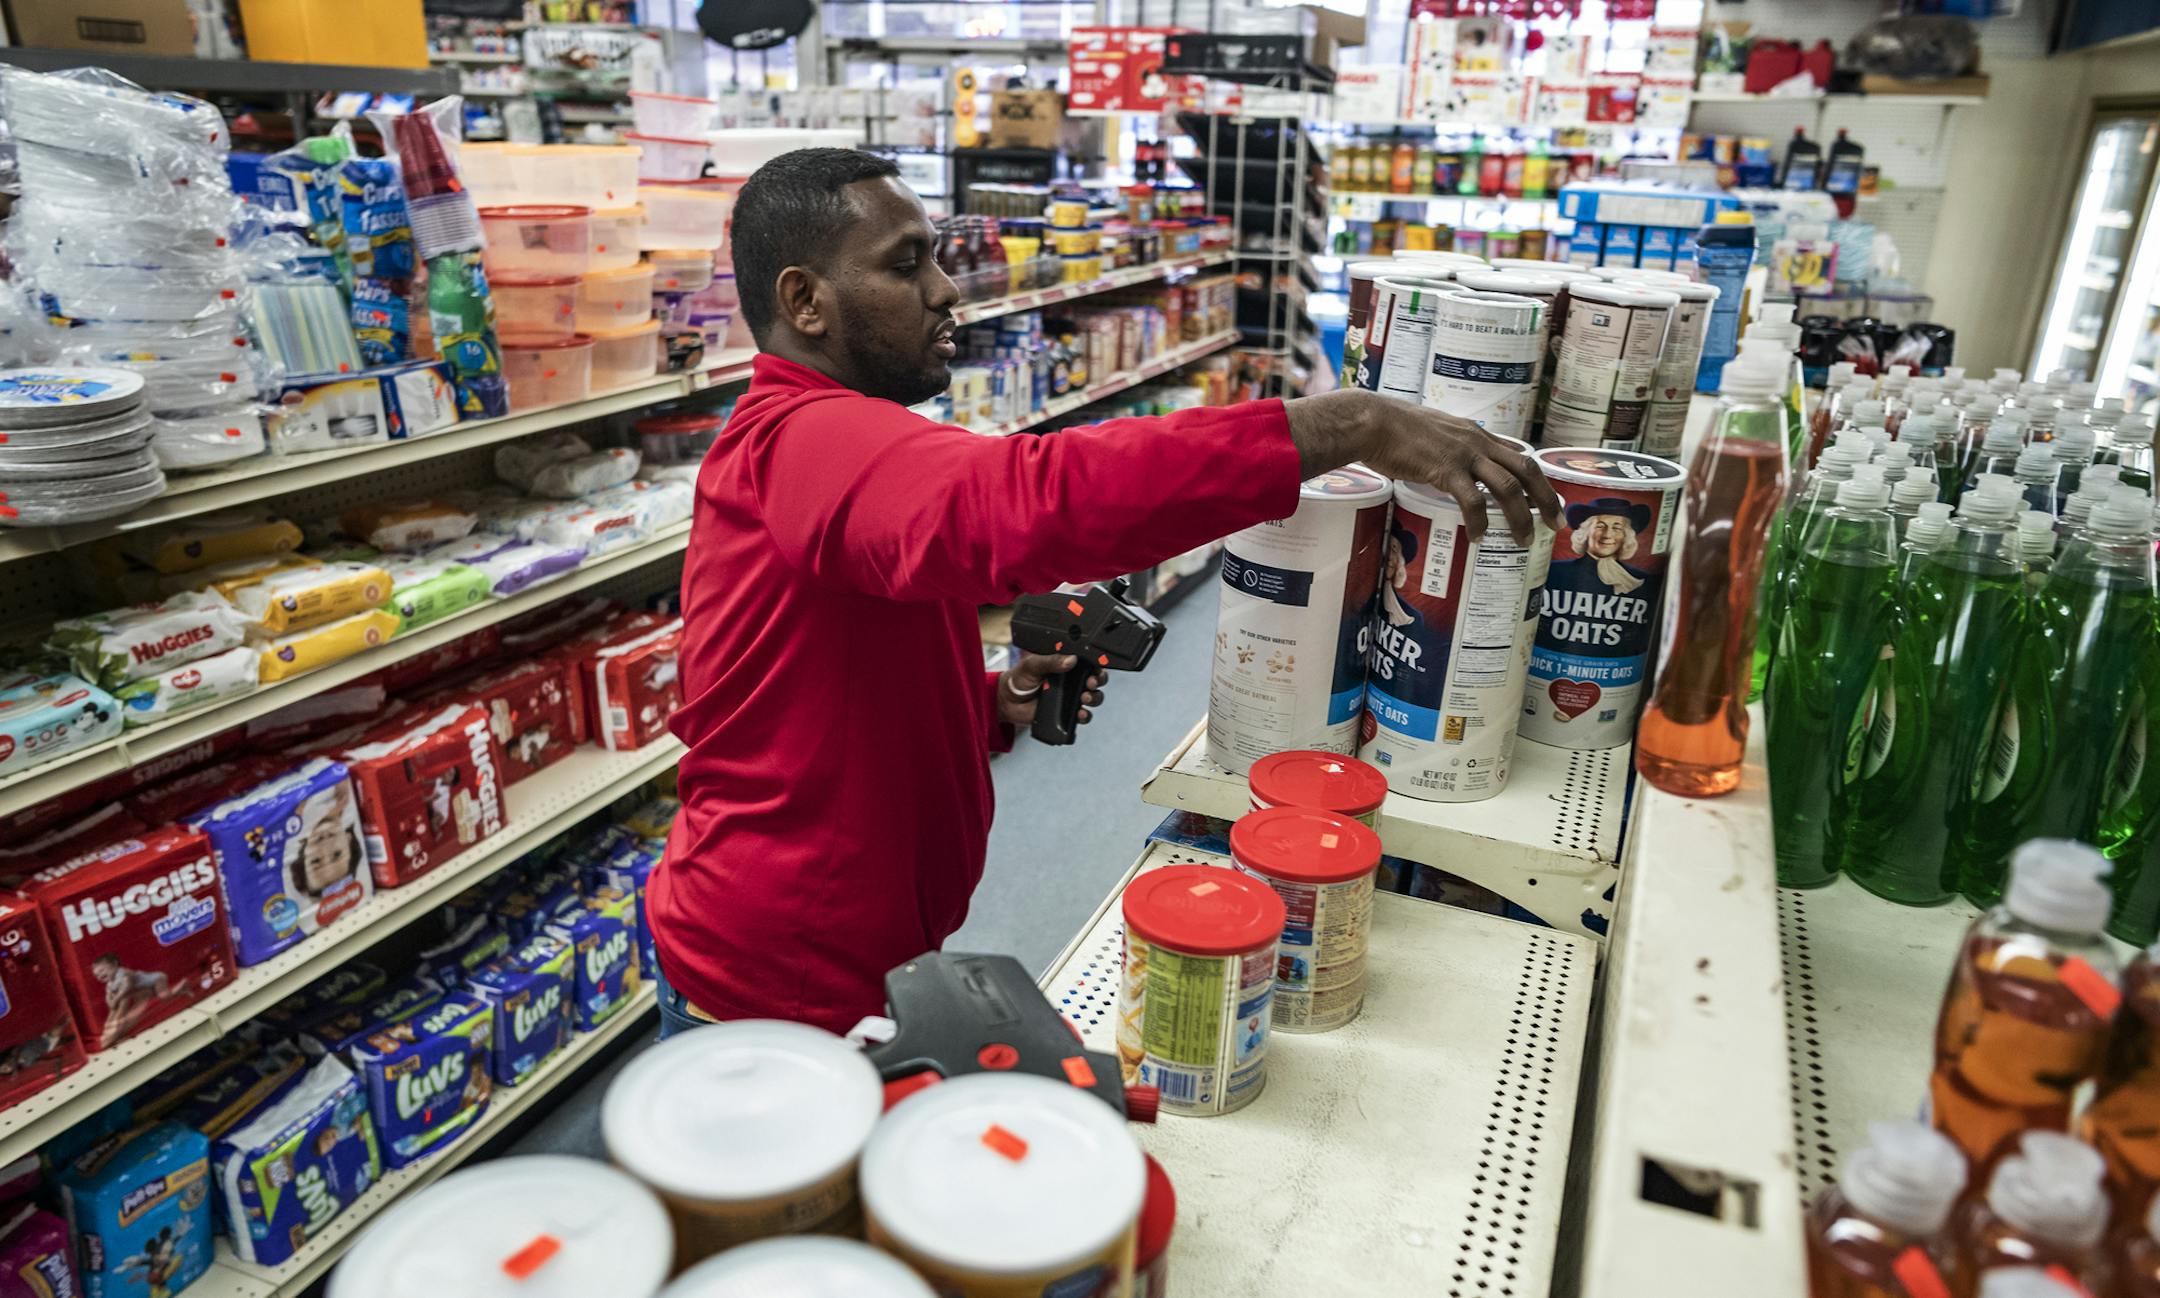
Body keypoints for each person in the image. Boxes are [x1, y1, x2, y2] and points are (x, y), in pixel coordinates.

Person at [648, 148, 1560, 1036]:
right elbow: (1022, 502)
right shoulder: (802, 441)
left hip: (847, 961)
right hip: (770, 995)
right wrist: (1343, 424)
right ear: (805, 300)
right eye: (905, 263)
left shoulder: (849, 451)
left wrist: (995, 701)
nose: (945, 290)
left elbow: (830, 694)